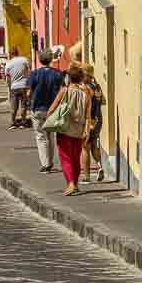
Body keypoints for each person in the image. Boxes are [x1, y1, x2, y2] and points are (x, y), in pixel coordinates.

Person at [45, 66, 93, 195]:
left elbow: (53, 107)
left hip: (64, 128)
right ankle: (75, 183)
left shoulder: (64, 91)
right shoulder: (86, 93)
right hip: (79, 129)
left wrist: (48, 120)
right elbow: (88, 114)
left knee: (65, 157)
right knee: (75, 157)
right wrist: (86, 129)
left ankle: (70, 182)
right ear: (81, 78)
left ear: (68, 78)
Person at [26, 55, 66, 172]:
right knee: (50, 135)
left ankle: (46, 163)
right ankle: (50, 161)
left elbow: (29, 91)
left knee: (40, 136)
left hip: (38, 108)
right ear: (50, 60)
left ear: (40, 60)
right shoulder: (57, 73)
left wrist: (29, 101)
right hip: (53, 108)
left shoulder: (34, 74)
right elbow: (63, 89)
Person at [81, 60, 107, 184]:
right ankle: (99, 166)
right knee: (94, 144)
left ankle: (86, 176)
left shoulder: (85, 88)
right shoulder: (96, 86)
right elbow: (104, 101)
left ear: (85, 75)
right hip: (98, 119)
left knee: (85, 147)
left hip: (89, 120)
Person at [6, 53, 31, 128]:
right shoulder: (24, 59)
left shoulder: (9, 63)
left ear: (11, 54)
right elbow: (30, 71)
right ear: (17, 53)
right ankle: (23, 122)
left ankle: (13, 122)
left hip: (14, 87)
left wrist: (9, 87)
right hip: (24, 85)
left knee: (14, 106)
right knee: (24, 105)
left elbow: (7, 77)